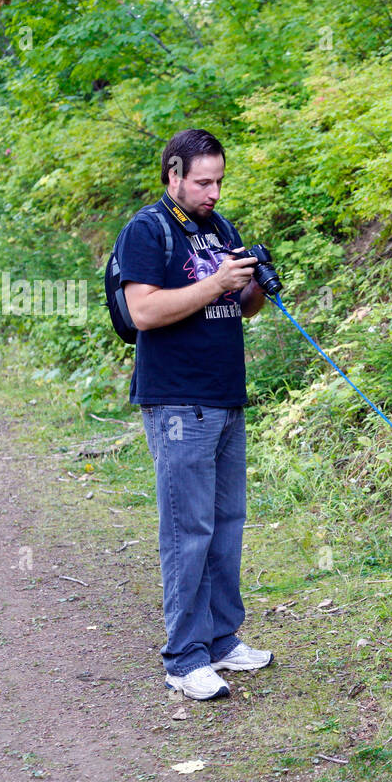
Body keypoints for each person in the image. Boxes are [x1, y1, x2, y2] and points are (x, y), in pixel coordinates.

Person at [119, 128, 273, 700]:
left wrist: (254, 280)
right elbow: (144, 311)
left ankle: (222, 640)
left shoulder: (220, 228)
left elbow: (245, 307)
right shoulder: (147, 229)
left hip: (226, 395)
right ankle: (183, 659)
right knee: (189, 531)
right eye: (203, 182)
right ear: (174, 175)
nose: (212, 192)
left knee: (227, 524)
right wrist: (214, 283)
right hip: (177, 400)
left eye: (219, 182)